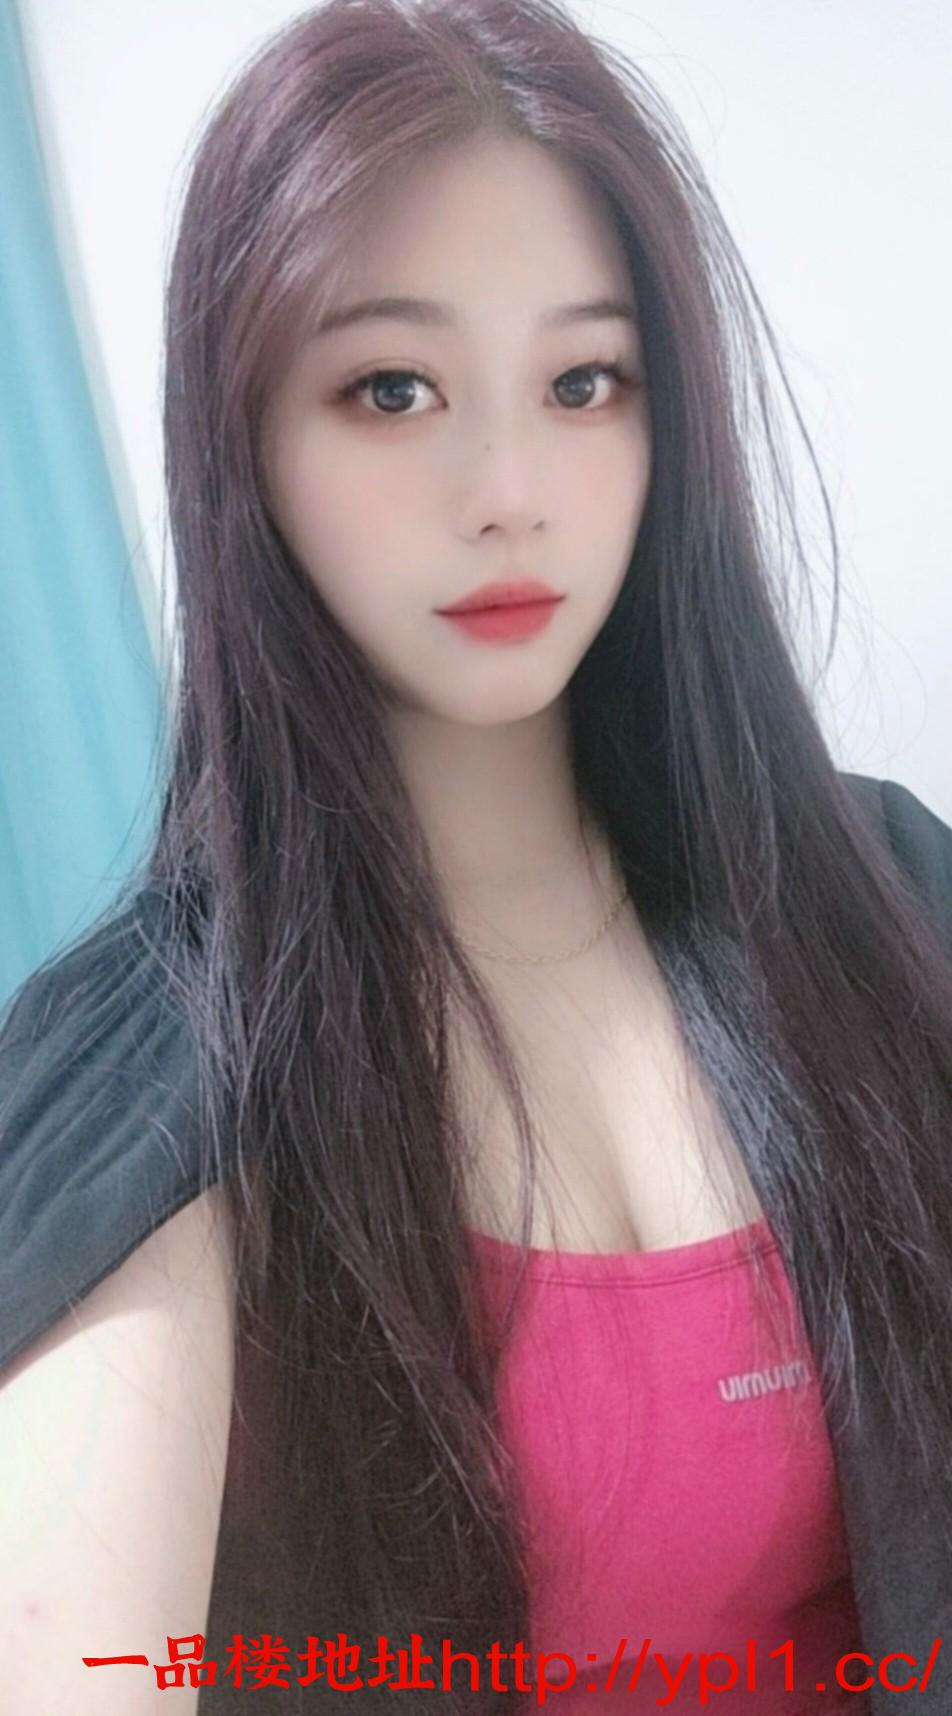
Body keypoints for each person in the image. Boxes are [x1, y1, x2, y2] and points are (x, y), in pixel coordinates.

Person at [2, 0, 952, 1710]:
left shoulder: (883, 898)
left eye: (584, 382)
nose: (510, 488)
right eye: (392, 389)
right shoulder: (173, 1072)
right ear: (245, 439)